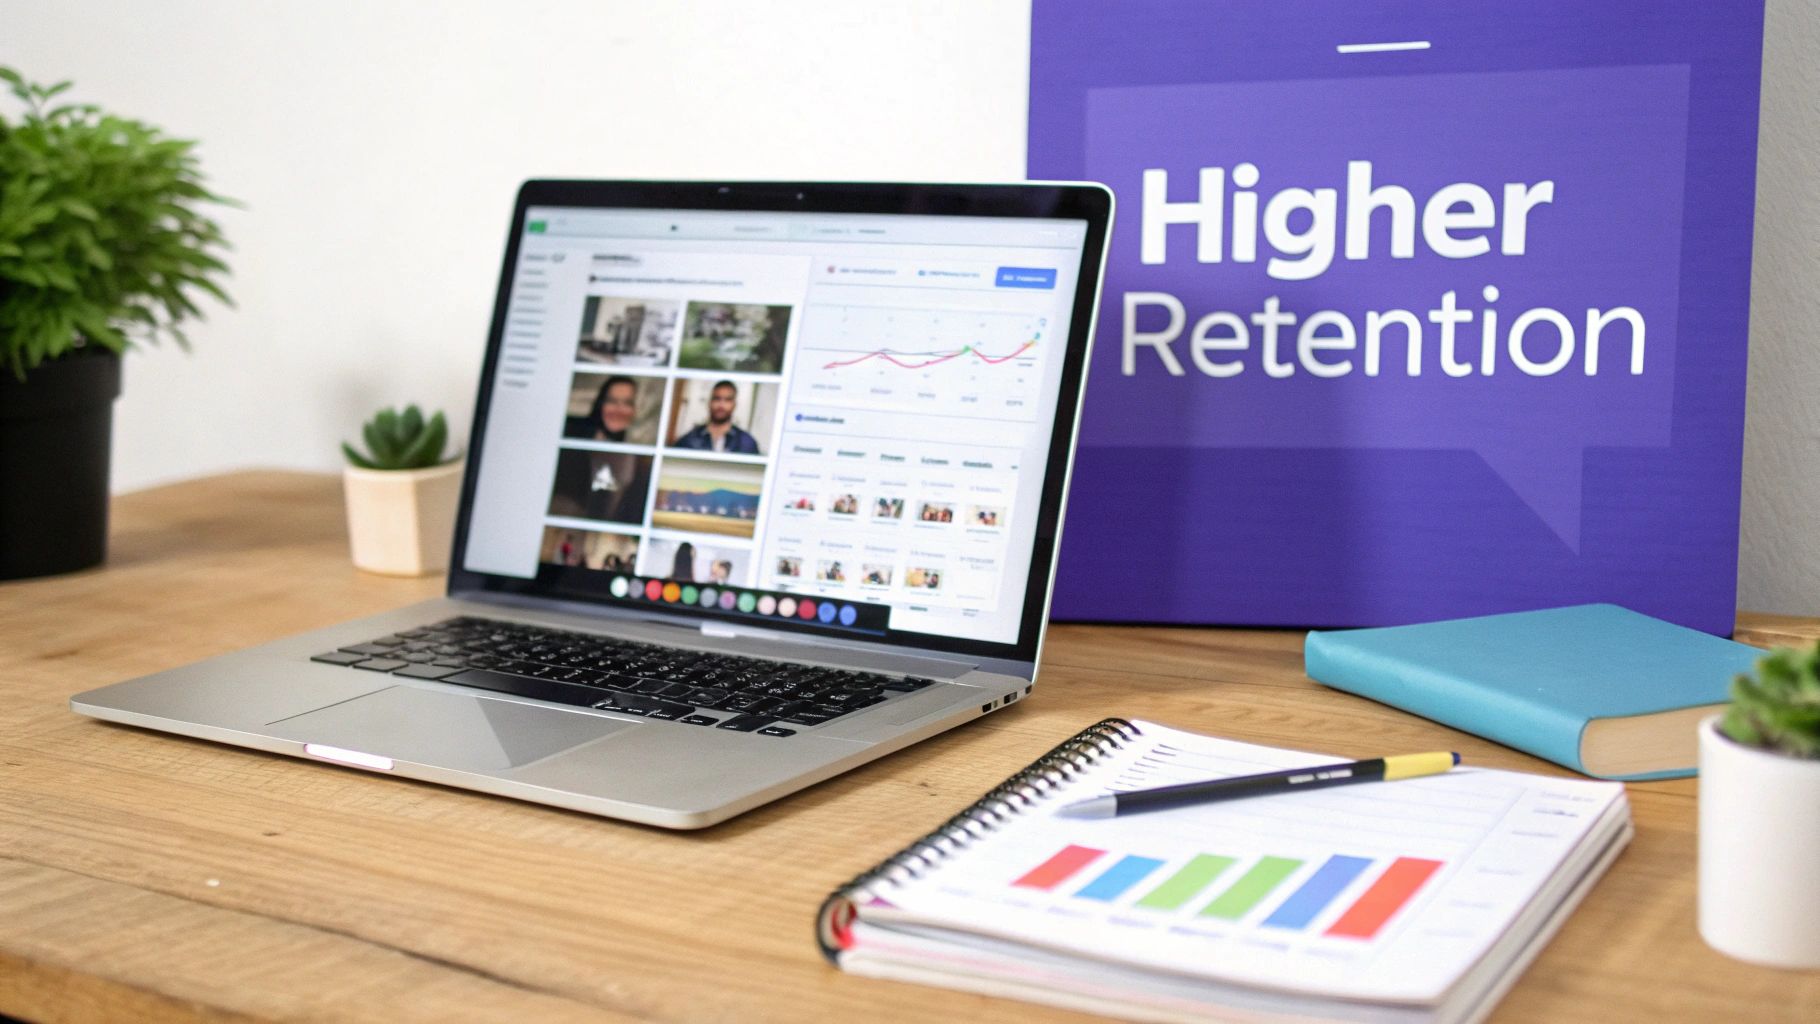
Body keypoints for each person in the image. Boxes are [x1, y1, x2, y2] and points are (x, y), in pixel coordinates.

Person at [673, 380, 761, 454]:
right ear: (709, 402)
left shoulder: (746, 442)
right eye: (717, 398)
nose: (721, 405)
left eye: (727, 400)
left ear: (734, 404)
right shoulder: (689, 440)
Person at [570, 375, 640, 442]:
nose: (619, 409)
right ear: (600, 404)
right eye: (612, 401)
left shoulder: (637, 446)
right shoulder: (571, 430)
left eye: (627, 403)